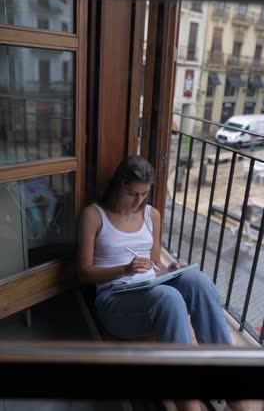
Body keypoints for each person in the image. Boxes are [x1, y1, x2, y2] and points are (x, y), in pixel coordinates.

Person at [78, 155, 246, 411]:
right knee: (169, 298)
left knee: (197, 281)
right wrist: (123, 269)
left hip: (150, 289)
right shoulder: (94, 215)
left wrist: (169, 268)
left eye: (145, 194)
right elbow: (84, 273)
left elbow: (154, 262)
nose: (139, 200)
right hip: (114, 299)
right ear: (118, 185)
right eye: (133, 194)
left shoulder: (151, 215)